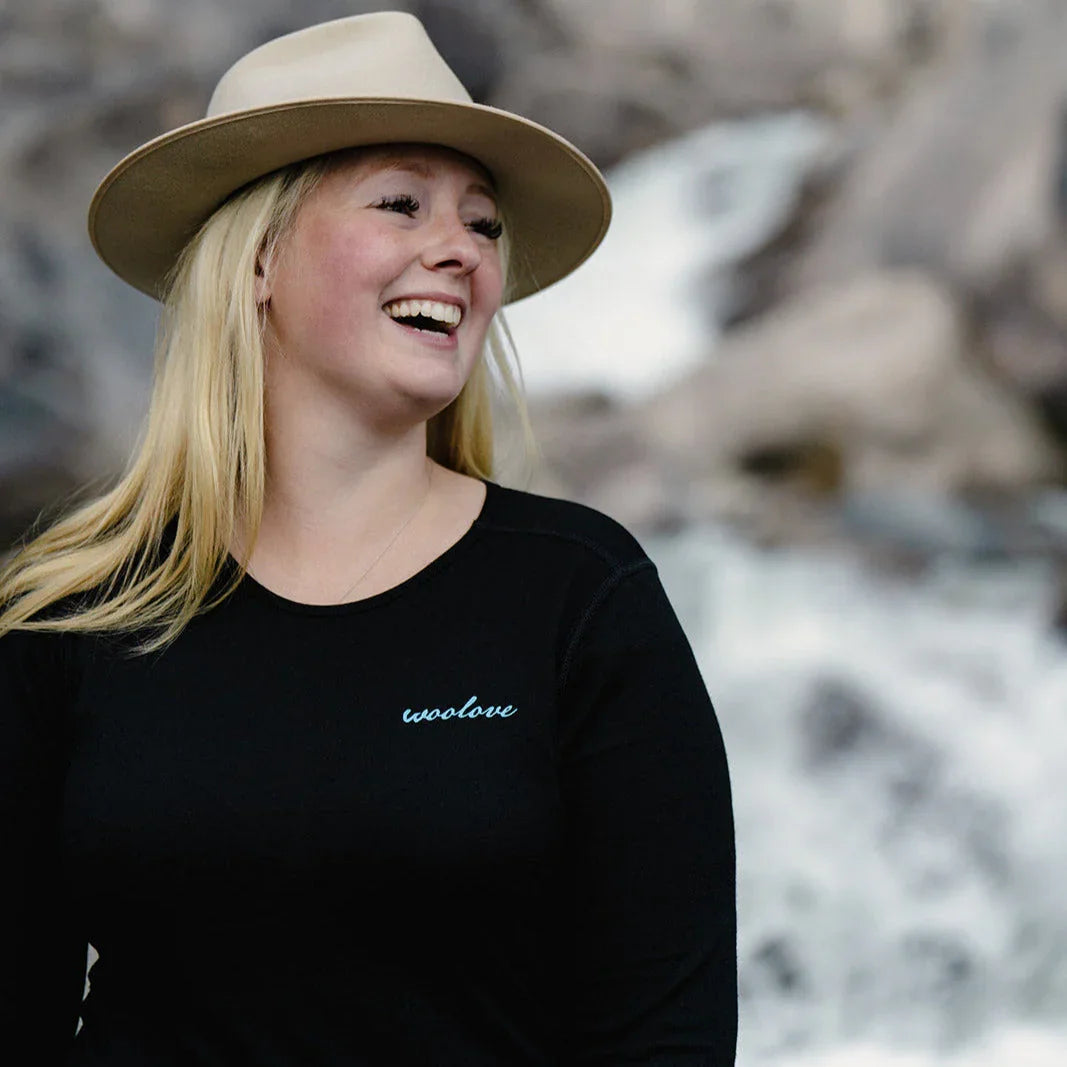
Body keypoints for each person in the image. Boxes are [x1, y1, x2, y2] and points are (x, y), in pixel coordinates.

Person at [0, 10, 737, 1066]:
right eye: (401, 204)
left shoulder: (580, 593)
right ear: (257, 259)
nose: (460, 251)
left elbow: (666, 1035)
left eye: (482, 225)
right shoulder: (78, 611)